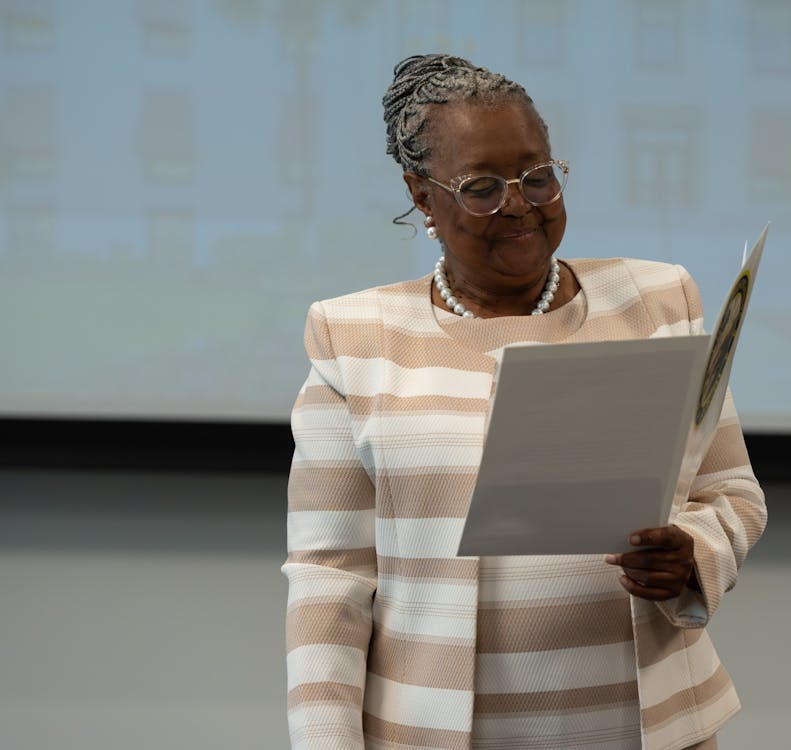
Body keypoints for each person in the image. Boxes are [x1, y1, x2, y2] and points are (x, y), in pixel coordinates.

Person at [282, 54, 766, 750]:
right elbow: (330, 576)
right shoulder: (353, 336)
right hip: (434, 733)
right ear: (422, 195)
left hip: (647, 728)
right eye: (481, 187)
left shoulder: (658, 299)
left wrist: (693, 554)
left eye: (537, 176)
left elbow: (732, 494)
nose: (520, 205)